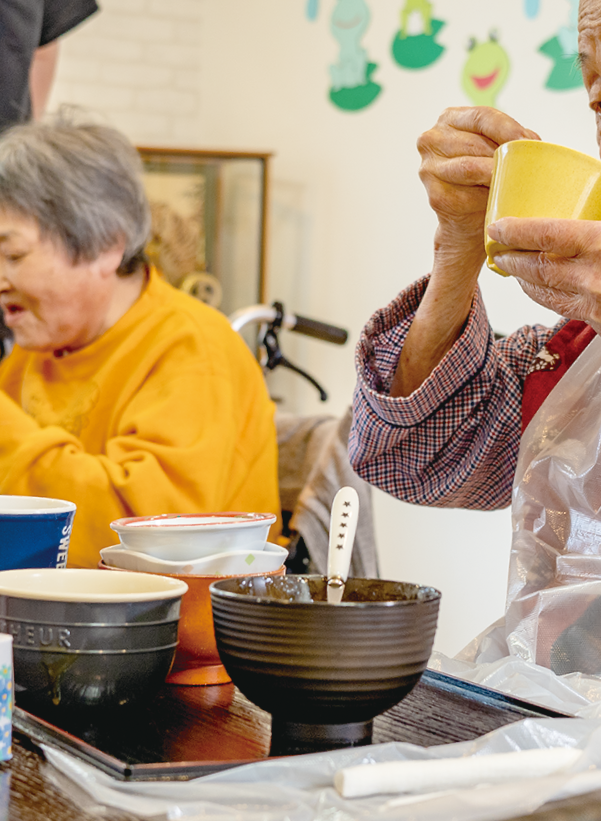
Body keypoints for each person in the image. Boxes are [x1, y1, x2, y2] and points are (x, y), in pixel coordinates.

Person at [350, 0, 601, 672]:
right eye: (591, 75)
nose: (596, 96)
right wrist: (459, 241)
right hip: (560, 731)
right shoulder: (579, 345)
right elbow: (415, 458)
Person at [0, 112, 280, 568]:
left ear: (107, 245)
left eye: (13, 254)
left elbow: (147, 543)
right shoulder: (34, 352)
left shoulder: (193, 348)